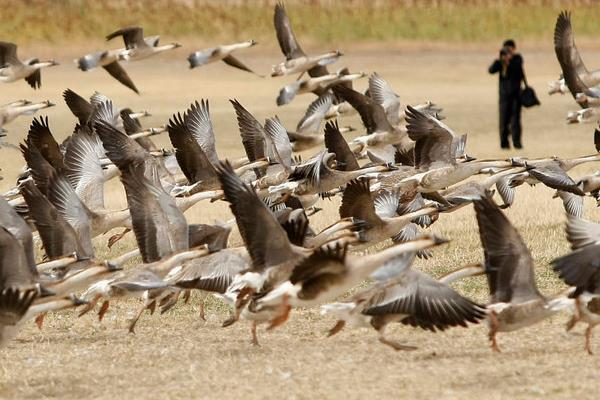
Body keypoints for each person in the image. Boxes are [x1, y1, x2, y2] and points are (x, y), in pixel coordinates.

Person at [488, 39, 525, 149]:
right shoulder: (500, 62)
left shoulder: (518, 59)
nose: (508, 52)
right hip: (504, 96)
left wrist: (510, 60)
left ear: (514, 49)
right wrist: (499, 60)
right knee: (503, 121)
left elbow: (518, 70)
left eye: (510, 49)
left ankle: (517, 143)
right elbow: (491, 70)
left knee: (515, 121)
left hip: (516, 96)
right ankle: (504, 144)